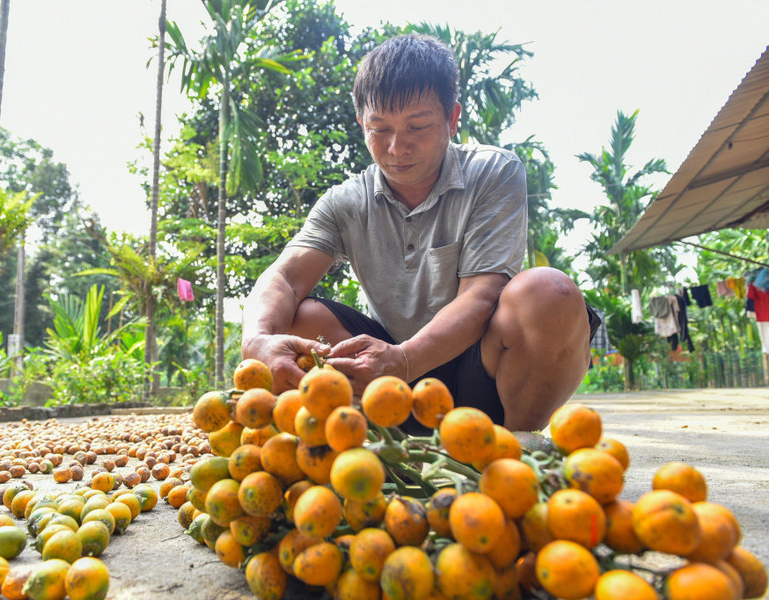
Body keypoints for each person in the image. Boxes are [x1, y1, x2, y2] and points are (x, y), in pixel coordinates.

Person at [241, 33, 599, 433]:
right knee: (299, 318)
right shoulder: (345, 201)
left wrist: (405, 359)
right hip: (386, 389)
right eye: (380, 129)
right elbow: (283, 278)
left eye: (418, 126)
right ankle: (365, 437)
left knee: (550, 291)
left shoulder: (494, 172)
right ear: (361, 123)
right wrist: (256, 341)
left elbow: (482, 296)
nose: (397, 148)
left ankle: (516, 448)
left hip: (481, 380)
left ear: (452, 118)